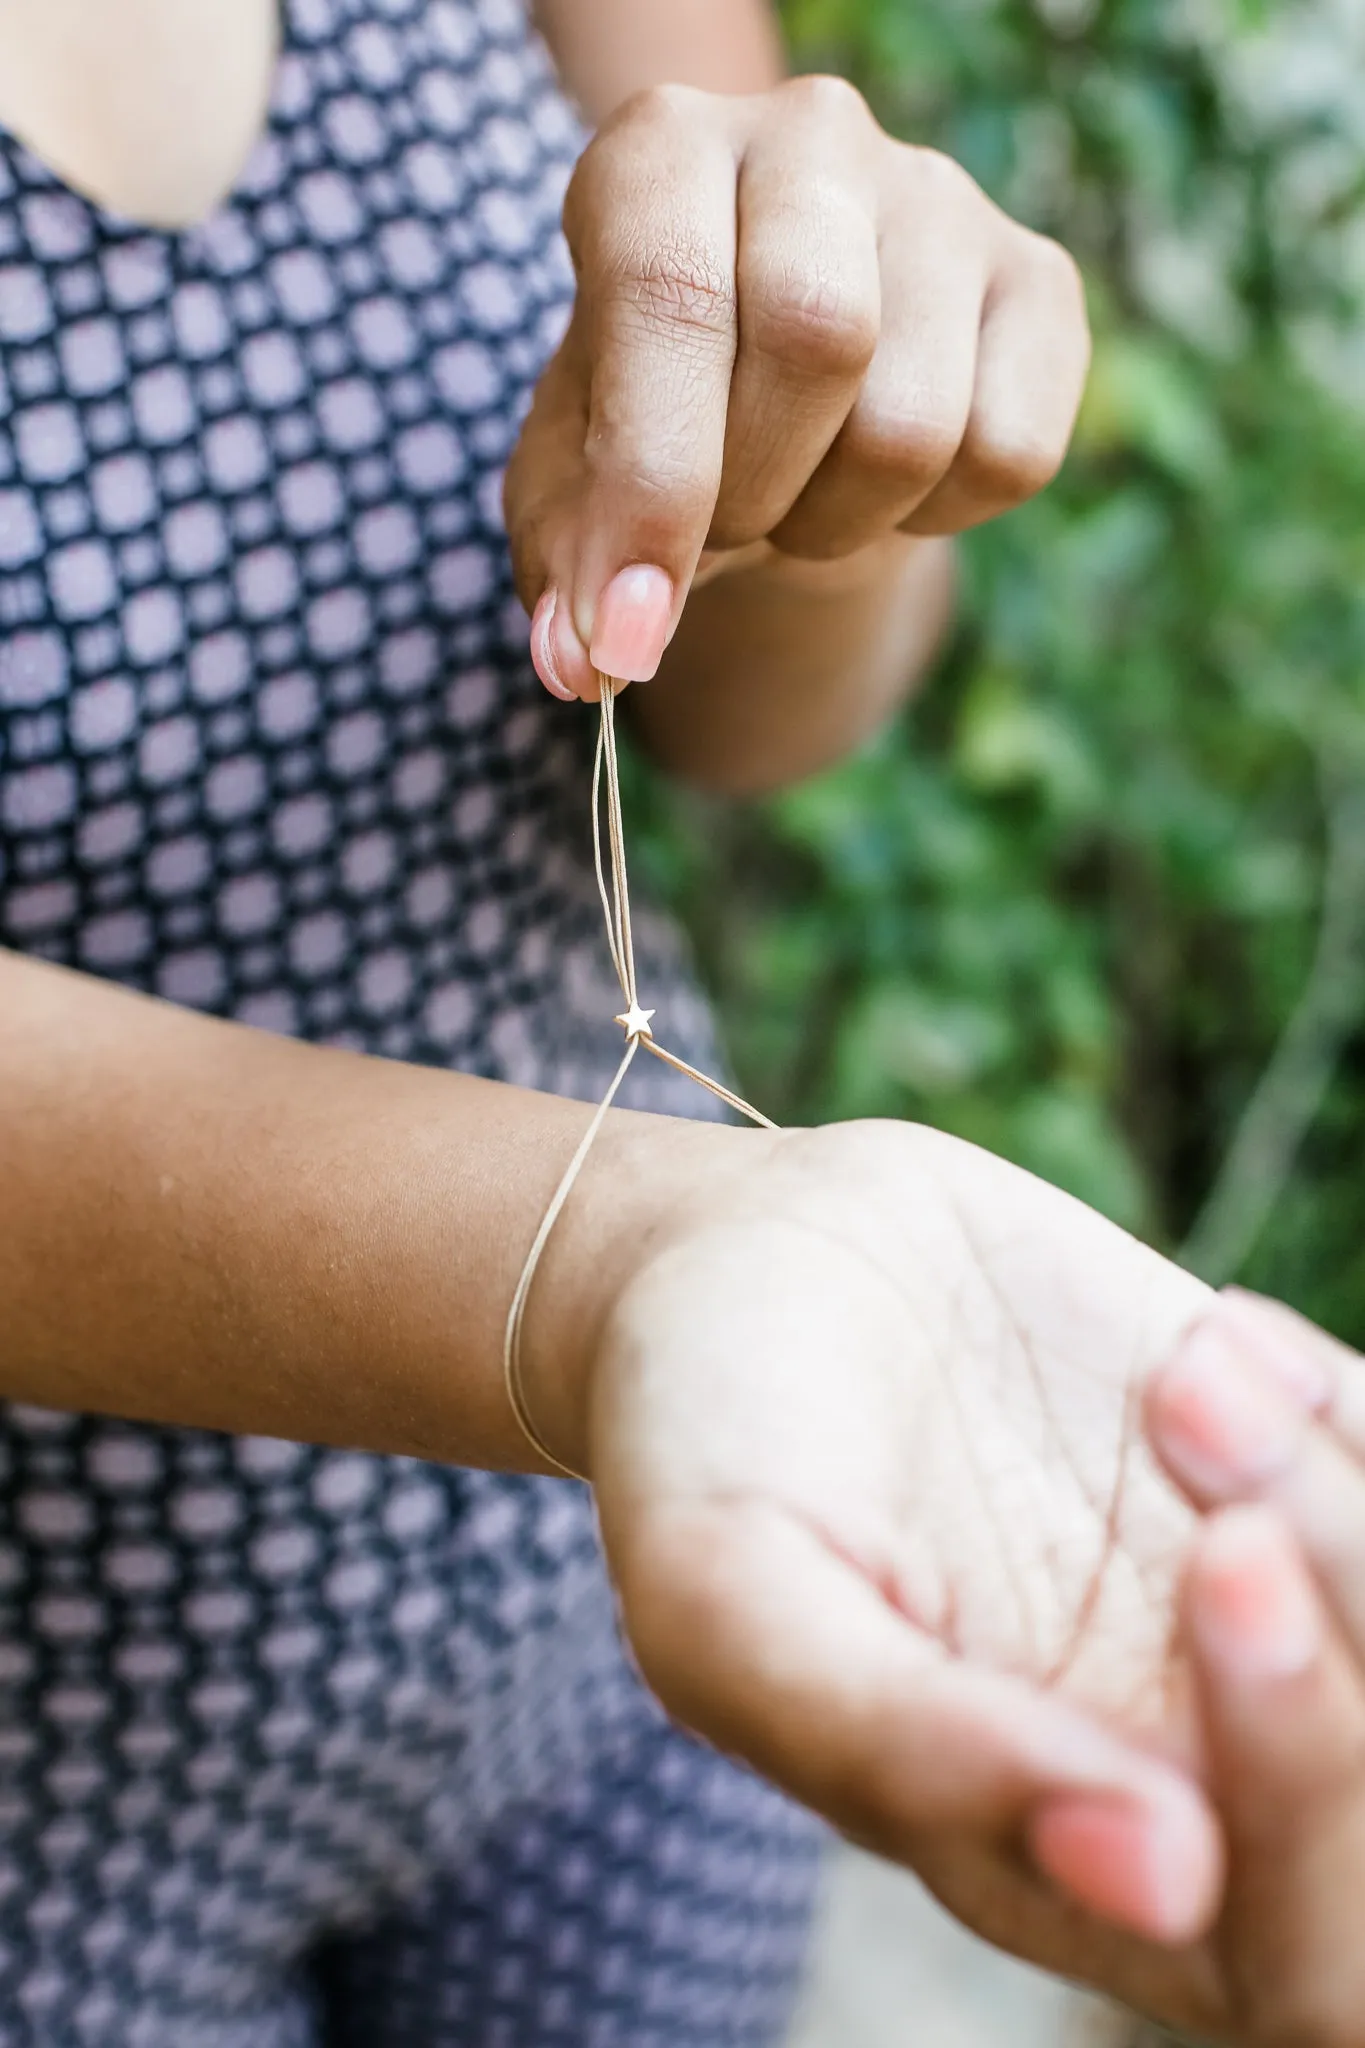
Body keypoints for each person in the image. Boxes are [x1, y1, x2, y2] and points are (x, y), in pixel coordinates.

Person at [0, 2, 1348, 2046]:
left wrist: (809, 470)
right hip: (63, 1783)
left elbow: (758, 719)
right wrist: (642, 1252)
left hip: (631, 1627)